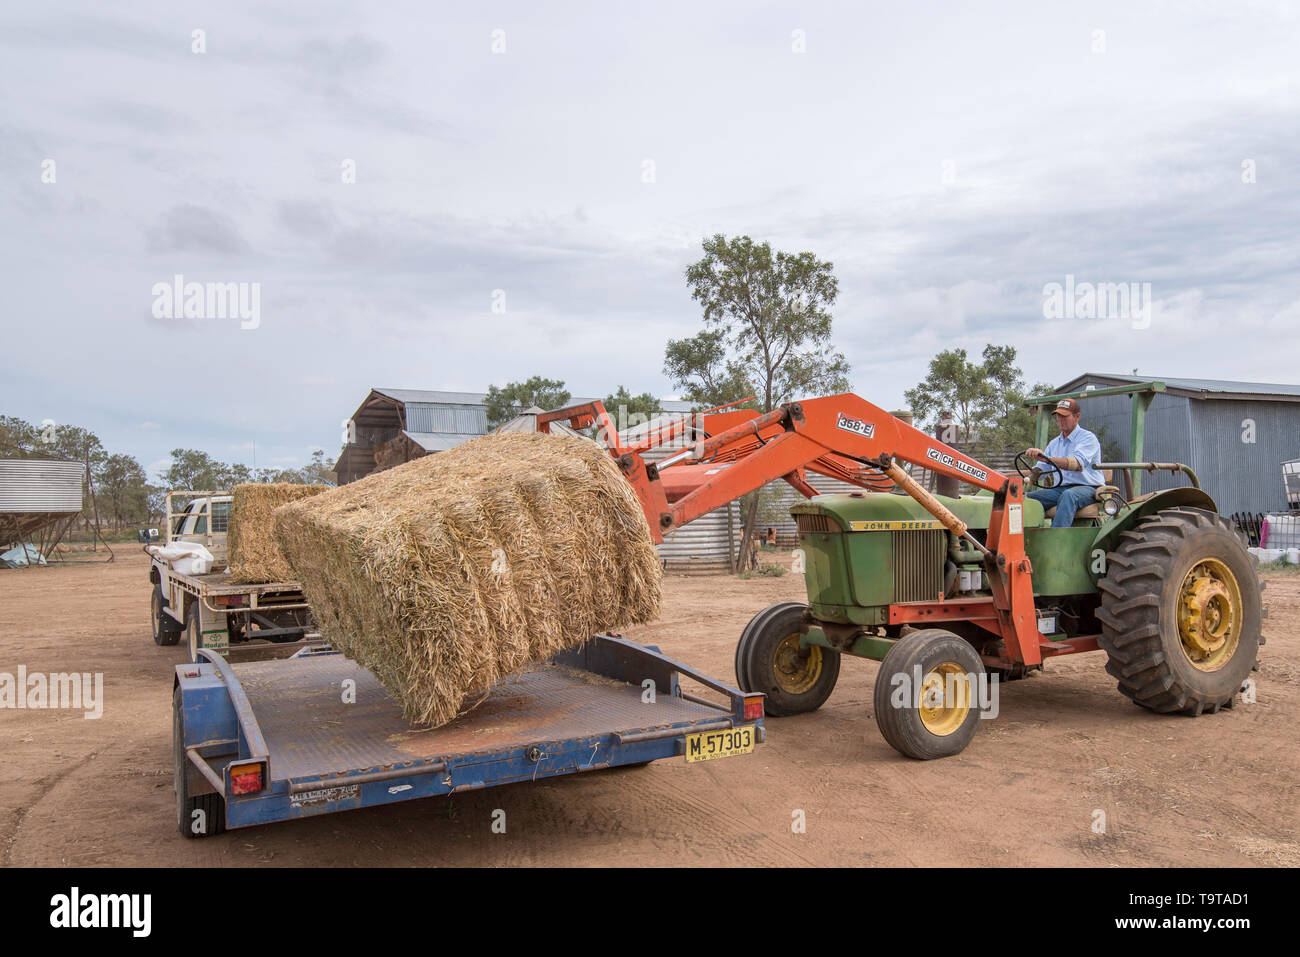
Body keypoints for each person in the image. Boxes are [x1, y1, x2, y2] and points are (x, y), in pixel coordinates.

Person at [1024, 398, 1104, 527]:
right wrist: (1018, 478)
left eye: (1064, 416)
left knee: (1069, 496)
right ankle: (1022, 540)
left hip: (1088, 488)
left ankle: (1055, 541)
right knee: (1025, 499)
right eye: (1058, 416)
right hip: (1060, 489)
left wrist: (1045, 457)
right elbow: (1041, 471)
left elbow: (1076, 464)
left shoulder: (1087, 438)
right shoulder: (1054, 443)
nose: (1060, 420)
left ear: (1077, 417)